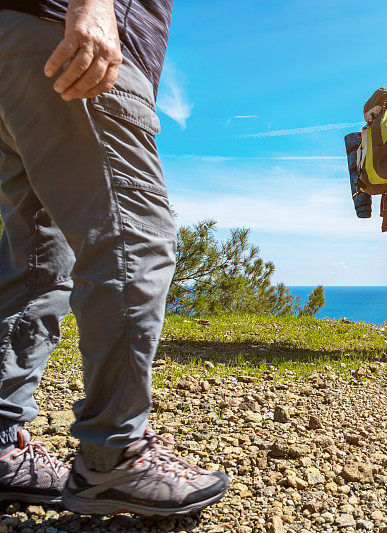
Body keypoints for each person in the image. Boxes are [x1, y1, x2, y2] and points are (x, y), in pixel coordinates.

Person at [0, 0, 229, 516]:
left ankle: (0, 444)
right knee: (132, 236)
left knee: (37, 255)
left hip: (16, 39)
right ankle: (113, 456)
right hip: (67, 38)